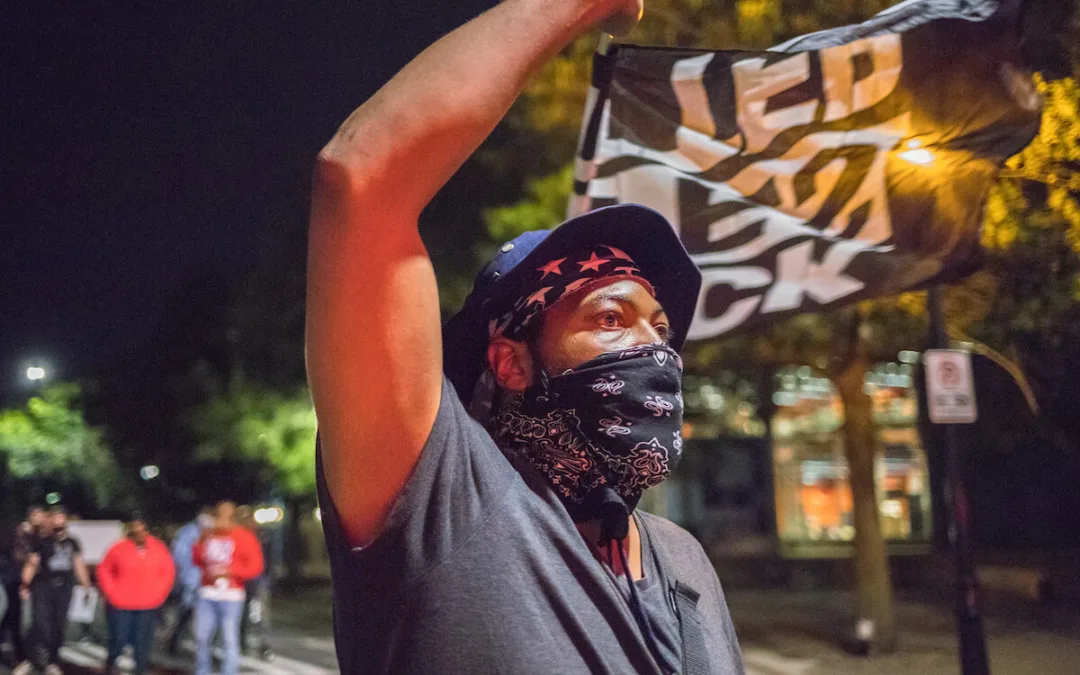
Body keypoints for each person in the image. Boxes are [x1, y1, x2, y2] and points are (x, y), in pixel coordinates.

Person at [306, 1, 745, 673]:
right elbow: (363, 173)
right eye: (609, 318)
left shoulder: (682, 560)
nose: (655, 352)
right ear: (510, 361)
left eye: (661, 329)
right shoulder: (442, 504)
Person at [15, 507, 91, 675]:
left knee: (59, 624)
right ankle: (31, 659)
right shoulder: (42, 541)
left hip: (64, 587)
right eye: (54, 523)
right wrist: (25, 584)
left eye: (60, 524)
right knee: (41, 624)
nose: (57, 528)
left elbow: (78, 563)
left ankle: (53, 661)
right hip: (43, 586)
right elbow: (32, 563)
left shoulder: (72, 542)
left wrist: (86, 585)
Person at [192, 501, 264, 675]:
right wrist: (201, 541)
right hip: (207, 593)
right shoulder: (209, 535)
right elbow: (197, 559)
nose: (222, 517)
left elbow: (256, 566)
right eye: (219, 513)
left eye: (226, 514)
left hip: (231, 595)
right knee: (202, 637)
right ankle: (203, 671)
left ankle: (229, 671)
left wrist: (233, 572)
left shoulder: (244, 537)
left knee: (229, 638)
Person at [97, 513, 175, 675]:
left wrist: (159, 594)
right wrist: (112, 591)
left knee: (142, 643)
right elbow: (105, 569)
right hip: (121, 604)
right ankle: (111, 666)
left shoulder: (158, 548)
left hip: (148, 604)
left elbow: (167, 572)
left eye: (143, 528)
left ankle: (139, 670)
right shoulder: (118, 548)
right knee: (119, 640)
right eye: (136, 527)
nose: (140, 532)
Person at [167, 506, 214, 654]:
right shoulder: (189, 531)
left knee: (206, 618)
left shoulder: (214, 533)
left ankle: (205, 647)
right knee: (185, 614)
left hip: (209, 582)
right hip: (191, 579)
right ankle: (174, 643)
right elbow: (179, 554)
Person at [2, 507, 43, 667]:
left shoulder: (39, 533)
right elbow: (18, 554)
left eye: (40, 515)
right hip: (15, 576)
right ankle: (20, 653)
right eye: (35, 515)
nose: (38, 518)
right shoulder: (22, 532)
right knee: (17, 613)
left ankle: (16, 646)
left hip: (31, 578)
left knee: (13, 611)